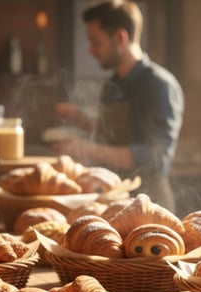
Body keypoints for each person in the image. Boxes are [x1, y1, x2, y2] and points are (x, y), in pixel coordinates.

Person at [51, 0, 184, 212]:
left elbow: (157, 156)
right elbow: (114, 136)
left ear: (120, 37)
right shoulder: (113, 84)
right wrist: (82, 119)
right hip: (115, 199)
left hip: (151, 206)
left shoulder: (160, 85)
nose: (90, 50)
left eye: (96, 42)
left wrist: (88, 149)